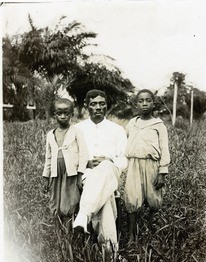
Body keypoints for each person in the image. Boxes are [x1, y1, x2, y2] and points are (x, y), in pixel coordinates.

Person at [73, 89, 127, 253]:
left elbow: (124, 159)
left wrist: (109, 160)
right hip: (87, 175)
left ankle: (84, 214)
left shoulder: (117, 129)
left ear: (106, 106)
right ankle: (110, 253)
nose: (98, 107)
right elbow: (71, 157)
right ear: (86, 106)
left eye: (101, 103)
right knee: (106, 199)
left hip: (111, 172)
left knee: (105, 168)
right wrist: (86, 163)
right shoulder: (77, 129)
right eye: (93, 104)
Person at [124, 89, 170, 242]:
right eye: (141, 101)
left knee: (153, 198)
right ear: (136, 103)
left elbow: (164, 148)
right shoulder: (132, 124)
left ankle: (150, 230)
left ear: (153, 103)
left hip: (152, 164)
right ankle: (131, 234)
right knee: (131, 197)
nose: (144, 104)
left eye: (148, 100)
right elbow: (126, 142)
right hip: (134, 164)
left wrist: (162, 172)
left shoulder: (158, 125)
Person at [42, 98, 88, 231]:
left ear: (71, 115)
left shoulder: (76, 132)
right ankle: (58, 233)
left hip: (70, 173)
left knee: (68, 202)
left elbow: (83, 154)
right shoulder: (51, 134)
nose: (63, 116)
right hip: (56, 173)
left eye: (66, 113)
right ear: (54, 114)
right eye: (59, 113)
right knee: (55, 201)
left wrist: (80, 174)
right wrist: (46, 176)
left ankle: (68, 233)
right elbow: (48, 157)